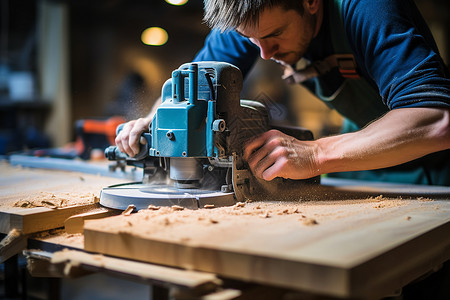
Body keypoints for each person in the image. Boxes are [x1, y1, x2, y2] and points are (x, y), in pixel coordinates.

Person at [115, 0, 450, 186]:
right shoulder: (251, 22)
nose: (263, 53)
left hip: (435, 165)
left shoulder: (367, 7)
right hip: (367, 157)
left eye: (276, 34)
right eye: (251, 40)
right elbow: (189, 90)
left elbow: (436, 120)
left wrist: (317, 154)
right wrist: (153, 121)